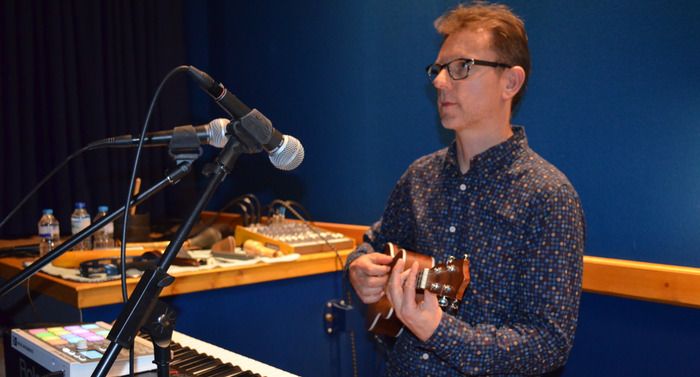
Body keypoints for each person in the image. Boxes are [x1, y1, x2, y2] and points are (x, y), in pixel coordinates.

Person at [346, 2, 585, 376]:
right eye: (439, 69)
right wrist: (358, 266)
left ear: (511, 82)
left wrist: (439, 330)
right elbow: (374, 245)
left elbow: (548, 343)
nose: (440, 81)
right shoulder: (419, 176)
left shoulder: (548, 196)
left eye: (461, 67)